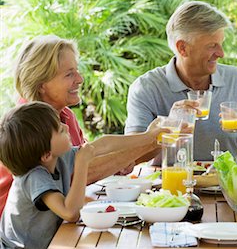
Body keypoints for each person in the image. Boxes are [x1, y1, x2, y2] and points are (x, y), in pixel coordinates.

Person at [0, 35, 161, 216]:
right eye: (69, 74)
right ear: (41, 84)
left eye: (76, 71)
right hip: (28, 231)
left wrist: (147, 139)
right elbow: (81, 172)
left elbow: (95, 149)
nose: (80, 79)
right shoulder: (27, 127)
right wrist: (154, 140)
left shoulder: (65, 115)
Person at [0, 102, 164, 248]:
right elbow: (70, 213)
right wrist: (82, 164)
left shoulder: (57, 156)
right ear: (46, 155)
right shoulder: (35, 177)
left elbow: (104, 144)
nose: (65, 126)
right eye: (58, 129)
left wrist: (149, 137)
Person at [125, 0, 237, 162]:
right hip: (168, 185)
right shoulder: (146, 88)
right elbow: (131, 155)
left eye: (221, 44)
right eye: (212, 46)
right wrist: (170, 126)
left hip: (224, 185)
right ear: (182, 48)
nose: (221, 53)